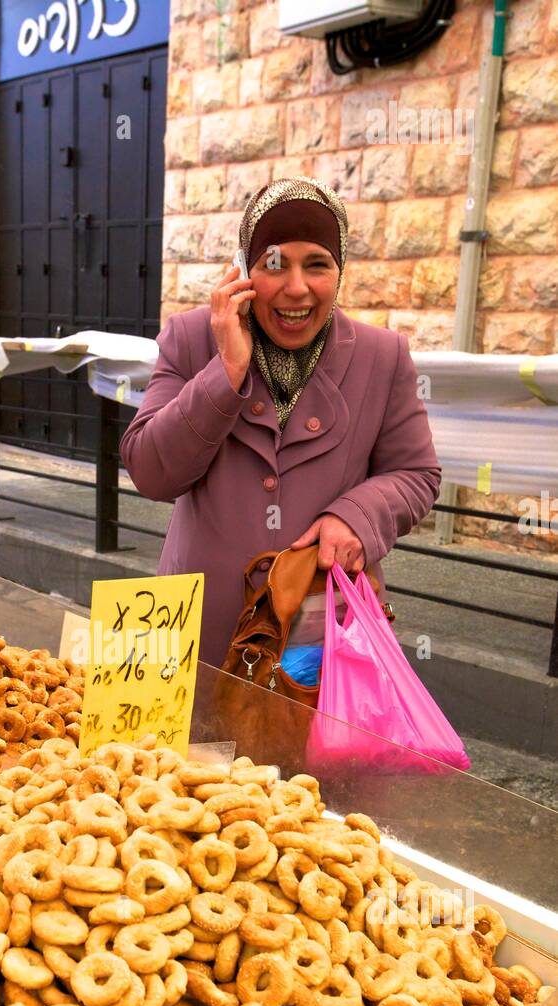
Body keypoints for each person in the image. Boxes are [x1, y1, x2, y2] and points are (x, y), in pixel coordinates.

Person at [119, 177, 441, 668]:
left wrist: (356, 515)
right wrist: (224, 371)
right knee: (177, 748)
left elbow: (416, 475)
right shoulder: (191, 338)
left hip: (317, 638)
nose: (297, 288)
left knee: (304, 746)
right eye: (274, 264)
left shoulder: (383, 357)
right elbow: (151, 471)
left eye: (317, 265)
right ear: (244, 270)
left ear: (340, 272)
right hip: (194, 630)